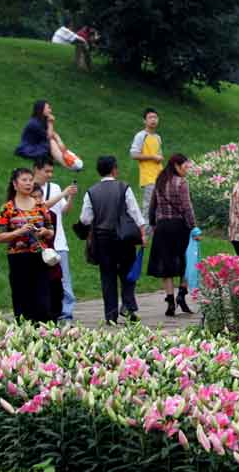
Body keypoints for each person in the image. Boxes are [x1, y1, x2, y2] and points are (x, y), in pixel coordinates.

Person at [79, 156, 147, 323]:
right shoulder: (124, 188)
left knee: (107, 276)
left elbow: (85, 218)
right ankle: (128, 307)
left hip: (103, 240)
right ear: (114, 169)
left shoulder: (91, 192)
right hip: (124, 239)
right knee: (128, 274)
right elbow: (135, 212)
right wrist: (143, 233)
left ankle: (110, 315)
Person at [0, 168, 54, 323]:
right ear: (15, 185)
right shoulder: (7, 209)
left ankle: (44, 332)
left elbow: (51, 231)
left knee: (42, 298)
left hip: (40, 257)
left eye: (30, 180)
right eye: (24, 180)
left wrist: (44, 232)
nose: (29, 183)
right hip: (18, 258)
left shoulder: (40, 206)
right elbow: (0, 236)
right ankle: (24, 333)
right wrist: (18, 232)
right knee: (22, 297)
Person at [147, 154, 196, 317]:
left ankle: (170, 301)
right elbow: (187, 207)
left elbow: (152, 206)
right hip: (179, 226)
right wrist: (194, 227)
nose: (186, 170)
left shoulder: (160, 181)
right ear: (176, 165)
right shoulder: (181, 183)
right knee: (185, 260)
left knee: (166, 263)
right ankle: (181, 294)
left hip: (162, 227)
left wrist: (153, 224)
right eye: (185, 166)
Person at [32, 159, 79, 321]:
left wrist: (70, 197)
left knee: (64, 279)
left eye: (51, 171)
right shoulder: (30, 189)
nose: (49, 175)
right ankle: (46, 311)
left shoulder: (55, 187)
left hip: (58, 241)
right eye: (46, 171)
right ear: (36, 170)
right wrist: (64, 194)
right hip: (39, 244)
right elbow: (40, 206)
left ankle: (66, 313)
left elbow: (64, 210)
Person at [15, 100, 83, 170]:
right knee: (52, 142)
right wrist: (50, 123)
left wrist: (60, 141)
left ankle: (71, 160)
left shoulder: (41, 120)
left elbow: (53, 133)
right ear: (41, 109)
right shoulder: (34, 123)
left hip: (38, 145)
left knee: (53, 143)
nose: (50, 110)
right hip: (28, 149)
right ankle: (68, 165)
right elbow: (49, 137)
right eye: (48, 108)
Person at [130, 108, 163, 236]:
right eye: (150, 117)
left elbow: (158, 155)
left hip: (159, 176)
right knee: (149, 205)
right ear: (144, 120)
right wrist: (153, 157)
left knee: (159, 204)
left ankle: (156, 231)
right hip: (148, 176)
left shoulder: (158, 137)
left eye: (155, 117)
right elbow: (133, 154)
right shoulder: (140, 136)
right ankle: (146, 233)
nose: (153, 120)